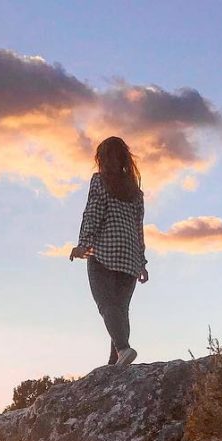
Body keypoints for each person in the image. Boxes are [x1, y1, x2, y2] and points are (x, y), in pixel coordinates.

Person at [69, 137, 148, 366]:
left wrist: (83, 243)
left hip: (104, 250)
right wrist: (141, 262)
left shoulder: (100, 181)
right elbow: (138, 227)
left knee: (106, 303)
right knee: (121, 309)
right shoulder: (135, 192)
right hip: (130, 256)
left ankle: (122, 349)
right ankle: (117, 362)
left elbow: (93, 213)